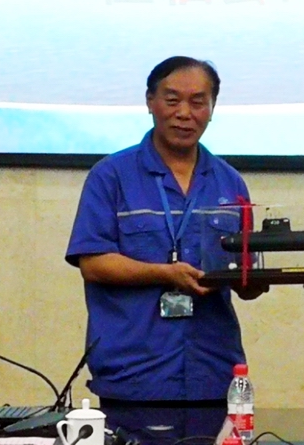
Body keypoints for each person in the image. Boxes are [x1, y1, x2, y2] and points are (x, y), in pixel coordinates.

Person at [65, 56, 266, 408]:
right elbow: (93, 264)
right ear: (150, 102)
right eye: (172, 100)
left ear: (213, 107)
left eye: (198, 102)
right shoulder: (111, 175)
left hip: (214, 372)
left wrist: (265, 278)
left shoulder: (229, 182)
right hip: (133, 373)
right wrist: (165, 273)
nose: (184, 113)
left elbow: (246, 278)